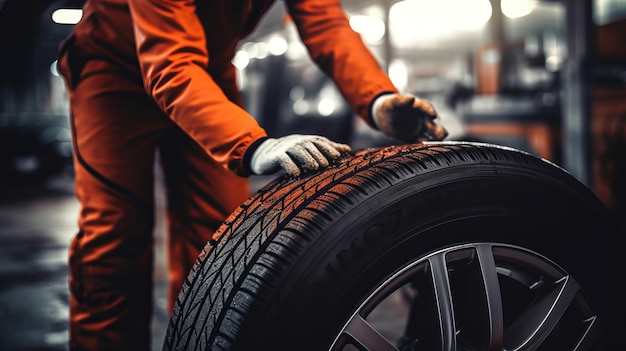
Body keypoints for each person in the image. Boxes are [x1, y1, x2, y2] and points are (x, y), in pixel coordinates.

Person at [57, 0, 448, 349]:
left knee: (219, 248)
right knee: (113, 246)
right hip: (113, 71)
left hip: (207, 72)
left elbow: (325, 21)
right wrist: (252, 144)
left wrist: (377, 98)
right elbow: (169, 63)